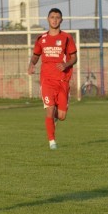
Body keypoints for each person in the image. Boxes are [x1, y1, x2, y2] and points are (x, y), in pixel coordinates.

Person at [27, 8, 77, 150]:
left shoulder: (67, 38)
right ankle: (52, 142)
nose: (54, 20)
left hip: (63, 80)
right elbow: (36, 56)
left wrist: (66, 64)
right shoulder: (41, 39)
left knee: (61, 116)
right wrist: (31, 64)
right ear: (47, 19)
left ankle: (55, 119)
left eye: (57, 17)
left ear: (61, 20)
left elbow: (74, 58)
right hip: (47, 80)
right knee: (49, 110)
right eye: (52, 17)